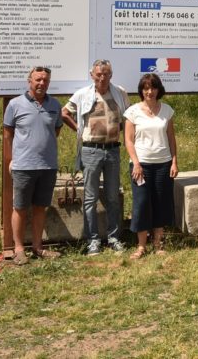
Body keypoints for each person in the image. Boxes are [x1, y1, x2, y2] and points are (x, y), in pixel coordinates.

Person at [61, 59, 130, 255]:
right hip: (90, 150)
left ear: (111, 75)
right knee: (90, 198)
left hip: (113, 150)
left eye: (106, 73)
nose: (102, 77)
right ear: (92, 75)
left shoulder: (120, 92)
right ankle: (93, 240)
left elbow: (128, 117)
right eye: (98, 74)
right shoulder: (82, 94)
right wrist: (78, 131)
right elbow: (64, 113)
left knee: (113, 197)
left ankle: (114, 238)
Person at [3, 66, 64, 265]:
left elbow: (55, 131)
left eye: (45, 80)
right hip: (23, 166)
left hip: (47, 166)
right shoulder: (15, 104)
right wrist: (12, 159)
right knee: (20, 207)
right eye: (38, 79)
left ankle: (38, 247)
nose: (41, 83)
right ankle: (19, 249)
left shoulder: (54, 104)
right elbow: (8, 135)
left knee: (40, 207)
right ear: (29, 81)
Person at [123, 73, 178, 259]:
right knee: (142, 203)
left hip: (163, 164)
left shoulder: (167, 111)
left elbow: (171, 138)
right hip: (141, 165)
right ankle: (141, 246)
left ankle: (158, 244)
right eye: (146, 88)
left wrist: (174, 161)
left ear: (158, 90)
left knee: (161, 203)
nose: (150, 91)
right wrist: (136, 163)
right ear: (141, 91)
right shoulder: (132, 112)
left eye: (153, 88)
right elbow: (128, 141)